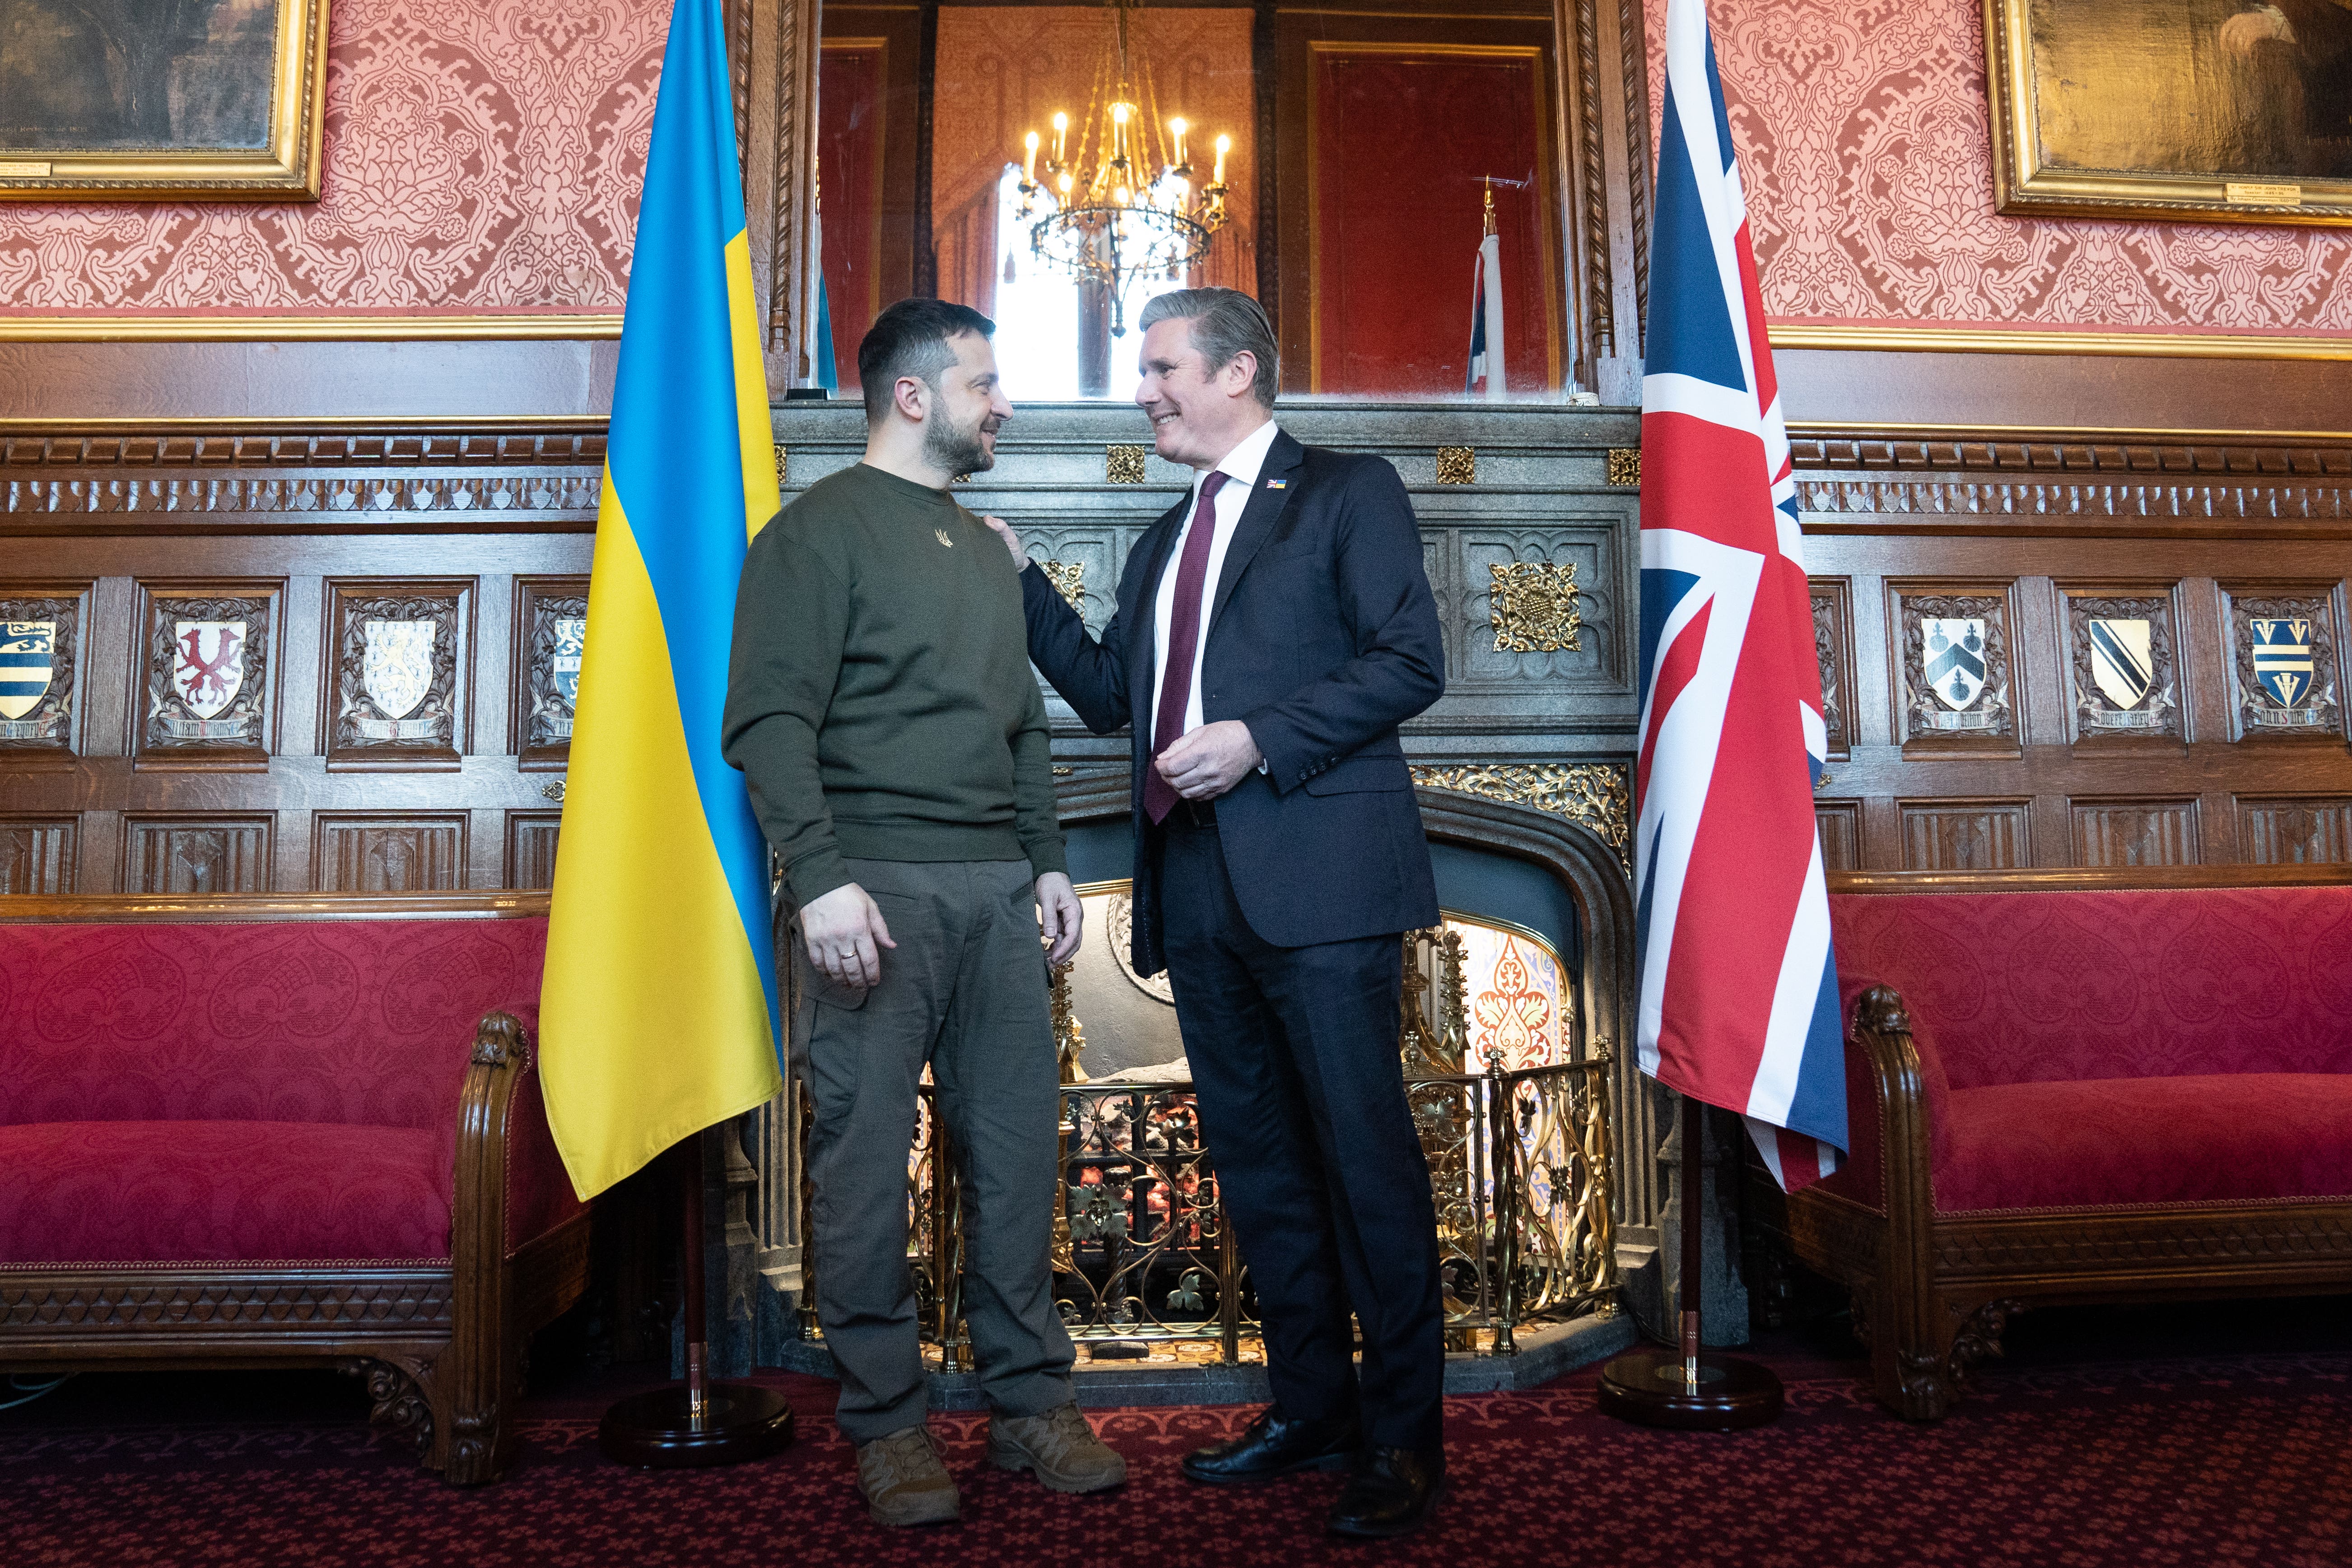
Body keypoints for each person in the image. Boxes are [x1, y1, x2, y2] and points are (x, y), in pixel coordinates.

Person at [986, 287, 1449, 1540]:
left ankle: (1406, 1441)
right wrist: (1024, 580)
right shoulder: (1162, 538)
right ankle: (1313, 1411)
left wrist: (1256, 739)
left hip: (1326, 889)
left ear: (1236, 370)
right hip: (1195, 894)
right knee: (1262, 1172)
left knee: (1364, 1165)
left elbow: (1413, 660)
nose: (1143, 390)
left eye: (1161, 368)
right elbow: (1105, 697)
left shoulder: (1348, 493)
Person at [723, 297, 1124, 1528]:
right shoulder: (813, 537)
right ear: (914, 396)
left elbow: (1019, 727)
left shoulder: (985, 548)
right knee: (862, 1169)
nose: (1002, 402)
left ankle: (1029, 1404)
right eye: (984, 383)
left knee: (1014, 1160)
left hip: (1000, 896)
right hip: (872, 893)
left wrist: (1048, 861)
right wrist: (821, 874)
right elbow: (767, 722)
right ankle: (887, 1424)